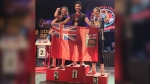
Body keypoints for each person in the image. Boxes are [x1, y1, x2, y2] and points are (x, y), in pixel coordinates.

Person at [59, 1, 96, 67]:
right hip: (72, 34)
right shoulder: (72, 16)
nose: (77, 7)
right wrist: (55, 24)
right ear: (74, 7)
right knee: (72, 49)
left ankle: (81, 62)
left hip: (80, 35)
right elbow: (64, 22)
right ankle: (74, 62)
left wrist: (95, 28)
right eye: (76, 6)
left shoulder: (84, 15)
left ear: (81, 7)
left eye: (78, 6)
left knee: (80, 50)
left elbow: (89, 23)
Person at [89, 7, 109, 74]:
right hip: (93, 38)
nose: (95, 13)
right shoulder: (92, 20)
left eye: (97, 11)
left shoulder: (102, 19)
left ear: (99, 12)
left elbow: (107, 20)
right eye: (94, 12)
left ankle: (102, 69)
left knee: (100, 53)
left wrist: (106, 12)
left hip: (100, 37)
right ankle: (93, 69)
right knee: (93, 53)